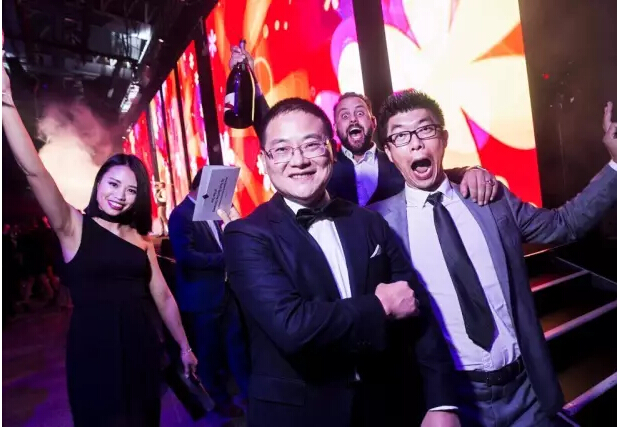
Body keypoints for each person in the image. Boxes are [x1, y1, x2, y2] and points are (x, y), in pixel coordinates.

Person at [369, 89, 617, 427]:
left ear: (444, 138)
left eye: (425, 129)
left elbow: (564, 224)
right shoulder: (379, 223)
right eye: (401, 136)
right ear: (390, 152)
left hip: (526, 392)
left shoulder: (489, 199)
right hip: (452, 402)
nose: (416, 143)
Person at [222, 97, 462, 427]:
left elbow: (416, 307)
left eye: (311, 145)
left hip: (387, 407)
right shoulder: (245, 235)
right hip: (301, 415)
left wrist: (441, 402)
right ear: (263, 161)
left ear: (332, 151)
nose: (299, 160)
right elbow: (293, 327)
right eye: (282, 150)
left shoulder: (369, 221)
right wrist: (381, 306)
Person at [2, 64, 197, 427]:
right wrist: (6, 103)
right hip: (93, 351)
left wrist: (185, 347)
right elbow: (35, 172)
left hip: (142, 347)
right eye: (113, 183)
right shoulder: (73, 226)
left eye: (131, 189)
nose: (119, 195)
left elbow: (164, 298)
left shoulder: (141, 240)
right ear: (99, 182)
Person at [228, 45, 498, 206]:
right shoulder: (322, 163)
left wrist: (472, 171)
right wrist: (252, 81)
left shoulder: (396, 156)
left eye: (360, 113)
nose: (353, 119)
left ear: (373, 122)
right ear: (335, 128)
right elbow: (274, 128)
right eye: (344, 116)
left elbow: (441, 176)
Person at [168, 168, 249, 418]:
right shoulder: (180, 215)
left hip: (225, 291)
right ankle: (220, 401)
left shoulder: (212, 211)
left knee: (237, 345)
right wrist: (225, 259)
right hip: (202, 298)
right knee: (209, 352)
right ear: (202, 187)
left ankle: (249, 393)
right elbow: (186, 257)